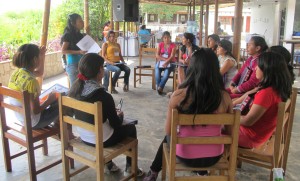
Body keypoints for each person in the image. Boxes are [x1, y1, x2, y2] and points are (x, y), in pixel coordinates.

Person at [143, 48, 233, 180]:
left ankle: (153, 172)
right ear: (215, 69)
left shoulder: (179, 96)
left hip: (185, 156)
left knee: (167, 138)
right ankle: (202, 172)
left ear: (192, 68)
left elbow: (169, 131)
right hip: (214, 157)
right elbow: (229, 134)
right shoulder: (225, 97)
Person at [68, 53, 144, 176]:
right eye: (103, 67)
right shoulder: (103, 96)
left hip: (84, 137)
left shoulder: (74, 90)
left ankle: (109, 164)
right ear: (99, 71)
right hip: (101, 140)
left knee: (102, 124)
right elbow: (116, 124)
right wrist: (120, 115)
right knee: (131, 128)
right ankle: (130, 167)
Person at [238, 51, 292, 148]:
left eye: (258, 66)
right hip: (259, 134)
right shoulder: (276, 88)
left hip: (250, 137)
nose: (255, 68)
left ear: (267, 69)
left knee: (213, 127)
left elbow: (247, 121)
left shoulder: (267, 93)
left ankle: (226, 159)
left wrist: (227, 117)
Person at [8, 44, 59, 129]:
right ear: (35, 59)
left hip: (23, 118)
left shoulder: (17, 74)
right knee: (63, 102)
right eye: (39, 56)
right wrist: (49, 100)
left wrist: (42, 56)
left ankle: (57, 127)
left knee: (54, 101)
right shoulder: (31, 82)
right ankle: (63, 131)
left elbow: (39, 73)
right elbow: (36, 110)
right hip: (35, 122)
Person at [61, 13, 86, 87]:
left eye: (82, 20)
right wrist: (79, 52)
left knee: (83, 86)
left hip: (82, 64)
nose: (83, 22)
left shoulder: (80, 35)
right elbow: (63, 51)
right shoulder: (68, 35)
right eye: (80, 21)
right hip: (73, 65)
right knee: (75, 88)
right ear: (73, 23)